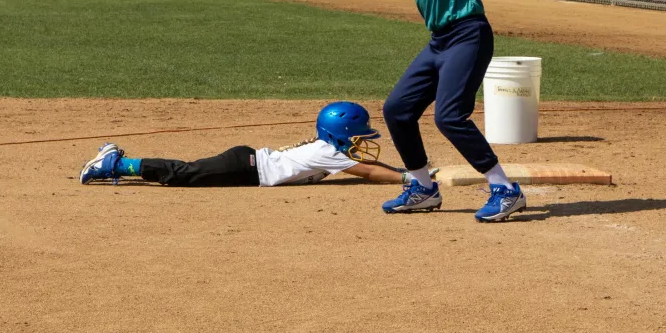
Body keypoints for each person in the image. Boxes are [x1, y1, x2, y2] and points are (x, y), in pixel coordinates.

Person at [348, 0, 527, 223]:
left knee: (449, 116)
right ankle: (423, 187)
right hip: (439, 41)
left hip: (468, 34)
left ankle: (505, 189)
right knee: (397, 109)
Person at [78, 102, 431, 188]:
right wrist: (408, 177)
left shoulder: (331, 150)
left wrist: (406, 170)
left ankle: (118, 163)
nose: (361, 142)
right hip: (244, 167)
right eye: (357, 135)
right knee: (182, 174)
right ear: (339, 133)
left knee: (186, 173)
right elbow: (368, 172)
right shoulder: (330, 154)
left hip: (247, 163)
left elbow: (367, 166)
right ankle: (115, 163)